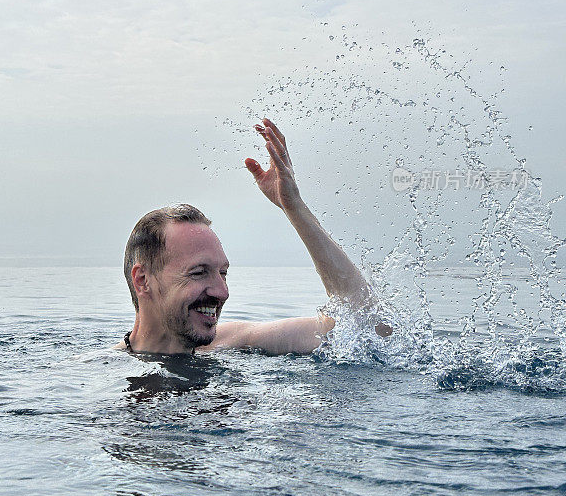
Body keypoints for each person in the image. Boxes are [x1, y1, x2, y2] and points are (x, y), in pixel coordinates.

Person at [118, 119, 392, 356]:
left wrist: (293, 207)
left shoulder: (236, 343)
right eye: (199, 273)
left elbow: (368, 327)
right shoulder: (95, 370)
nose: (222, 292)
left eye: (222, 273)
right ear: (143, 280)